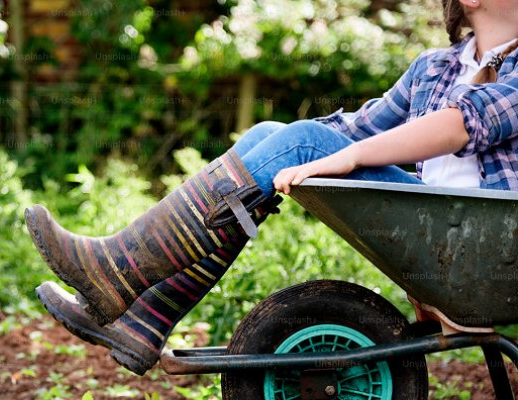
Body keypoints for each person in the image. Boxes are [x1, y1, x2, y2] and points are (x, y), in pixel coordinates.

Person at [25, 0, 518, 375]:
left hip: (491, 247)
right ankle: (144, 318)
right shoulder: (434, 68)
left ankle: (118, 271)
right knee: (271, 135)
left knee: (298, 142)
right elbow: (359, 129)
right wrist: (285, 142)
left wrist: (333, 153)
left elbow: (462, 125)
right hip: (447, 235)